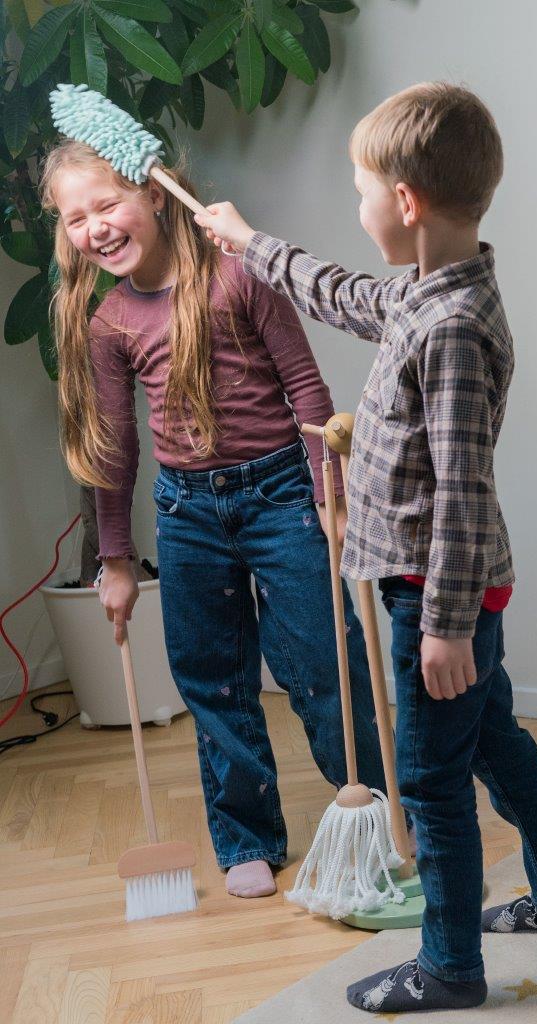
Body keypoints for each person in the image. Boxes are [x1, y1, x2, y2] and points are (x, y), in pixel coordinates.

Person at [194, 81, 537, 1013]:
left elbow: (461, 494)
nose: (358, 206)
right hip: (441, 591)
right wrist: (251, 244)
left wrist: (445, 628)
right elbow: (340, 293)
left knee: (430, 780)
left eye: (360, 190)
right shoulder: (428, 286)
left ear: (403, 202)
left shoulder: (450, 328)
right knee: (496, 743)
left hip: (437, 595)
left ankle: (450, 966)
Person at [40, 139, 391, 901]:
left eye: (108, 205)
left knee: (324, 664)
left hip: (280, 499)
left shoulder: (240, 275)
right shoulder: (108, 322)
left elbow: (304, 386)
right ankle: (246, 838)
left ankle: (376, 816)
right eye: (75, 219)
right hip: (187, 512)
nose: (95, 228)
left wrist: (325, 494)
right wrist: (116, 560)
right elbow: (115, 445)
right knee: (214, 682)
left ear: (158, 194)